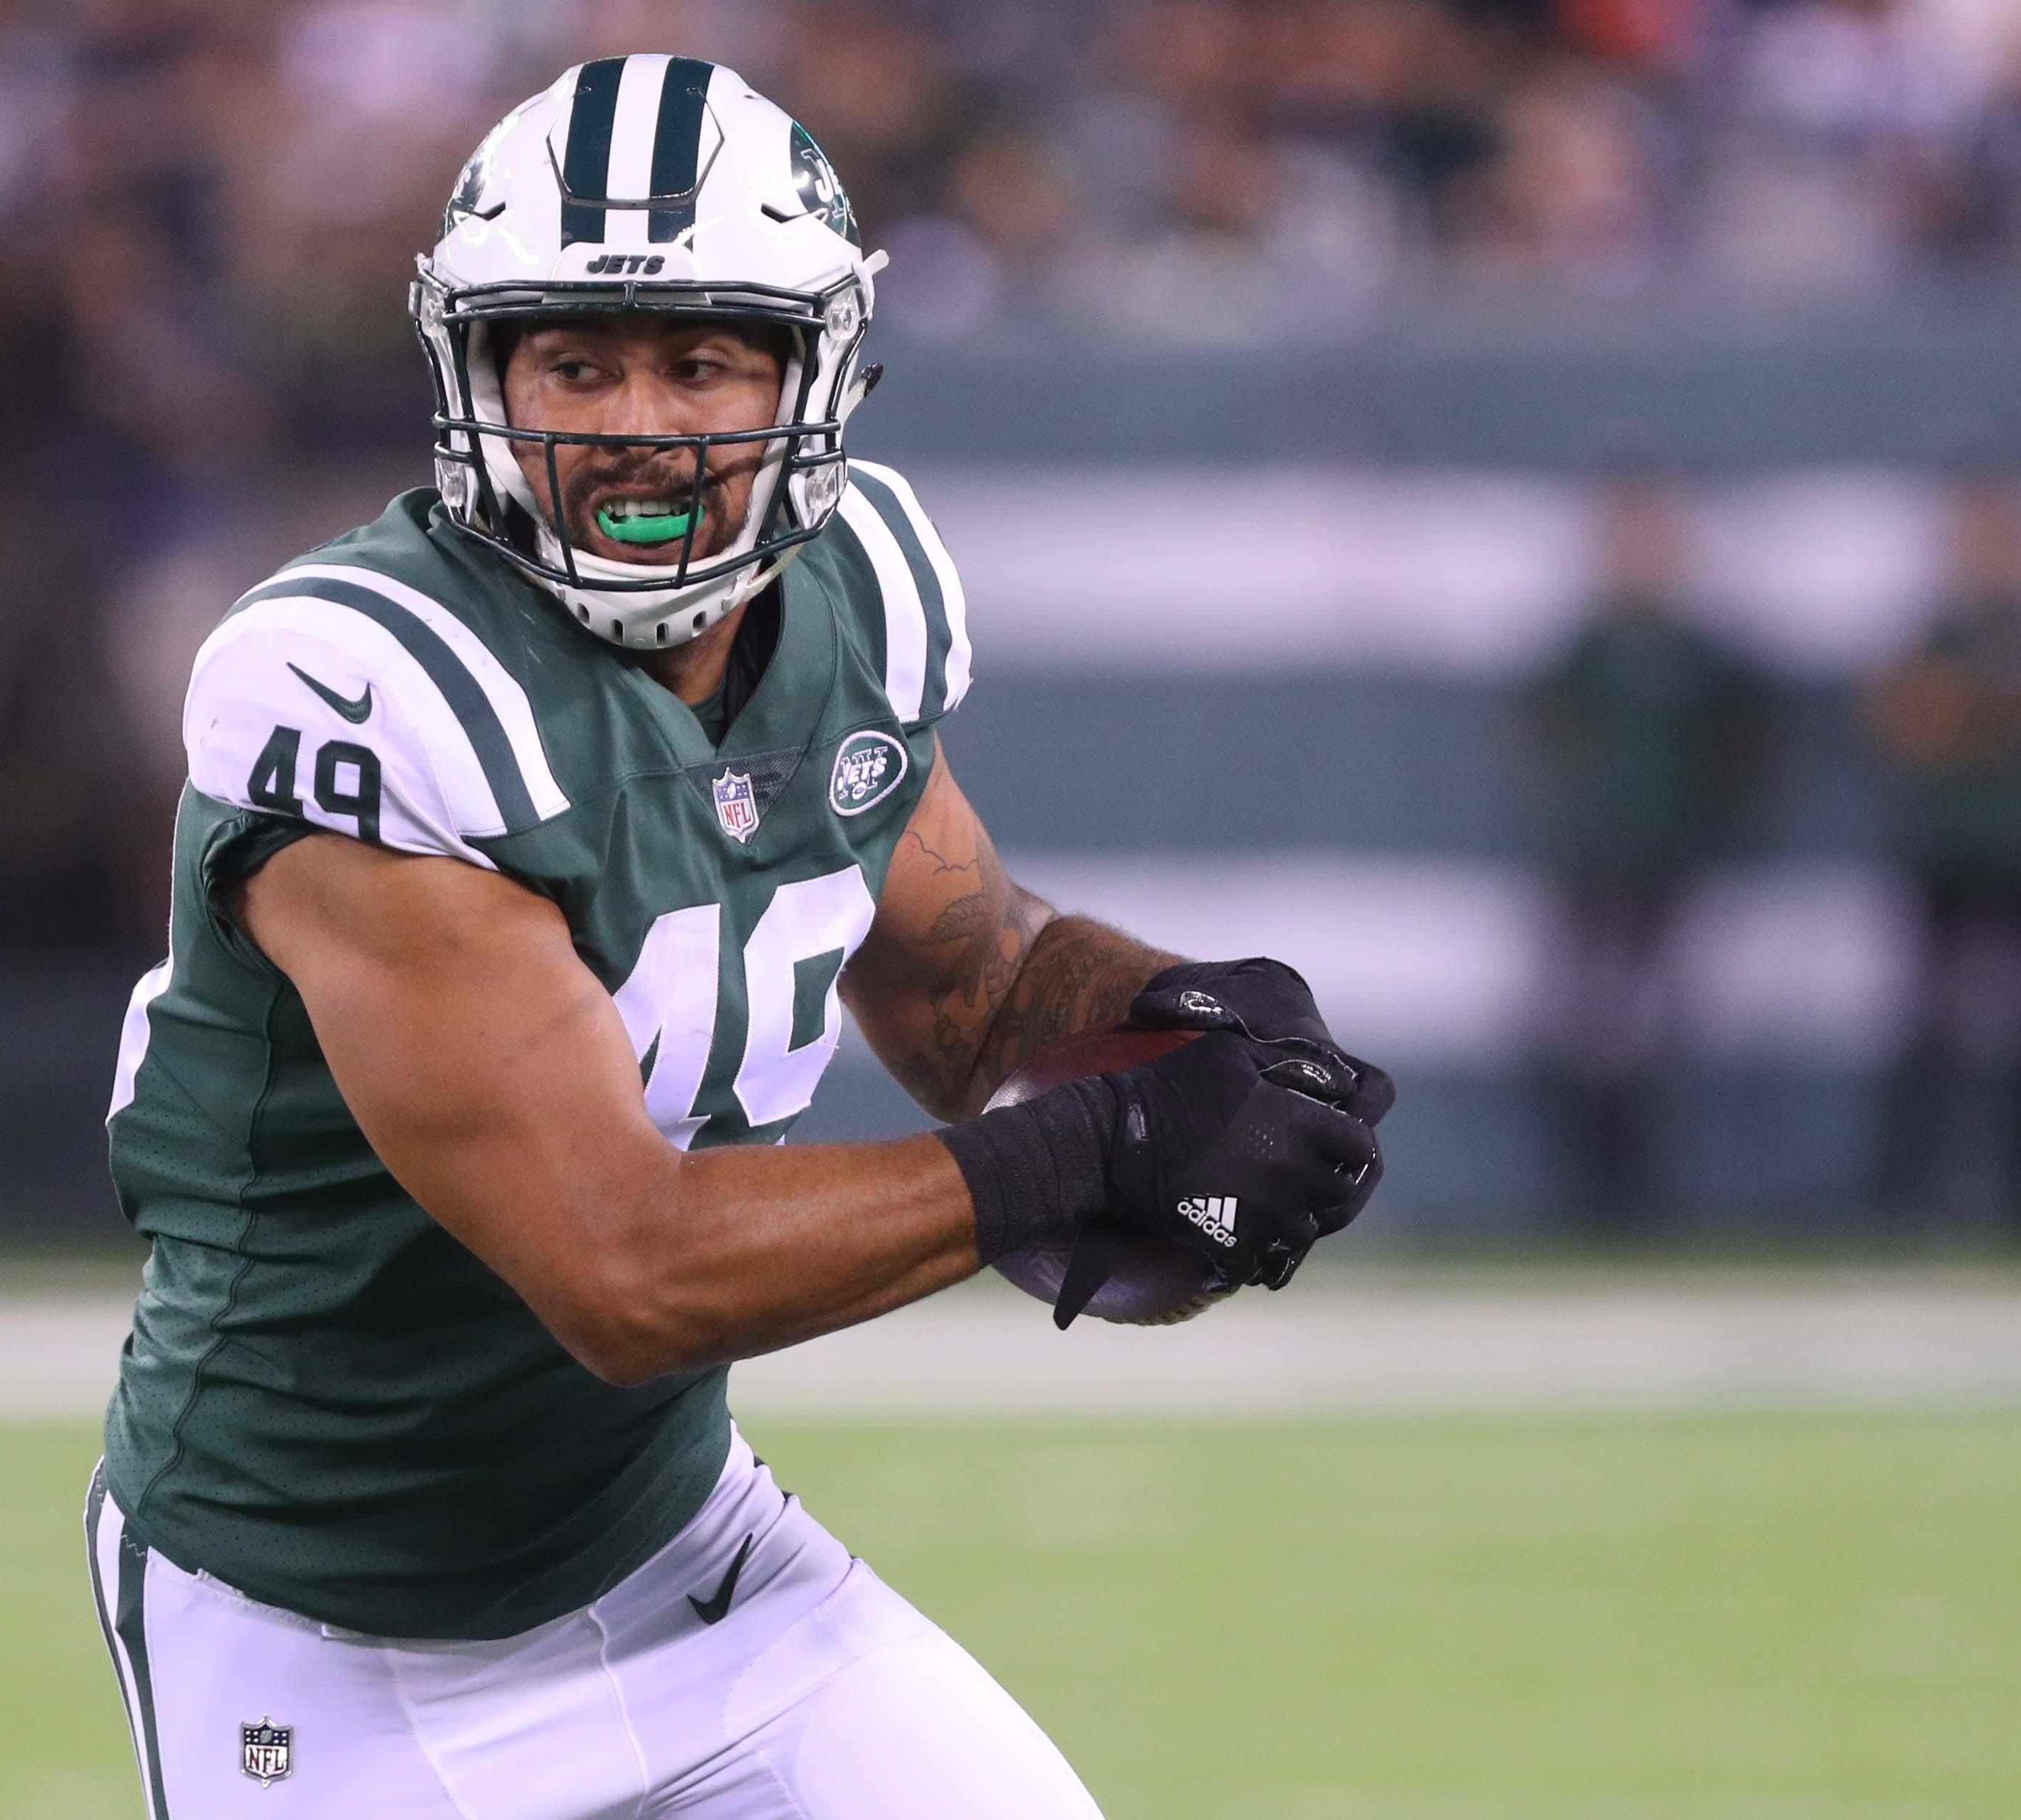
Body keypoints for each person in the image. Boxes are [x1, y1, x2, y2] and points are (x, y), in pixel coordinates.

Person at [87, 57, 1392, 1818]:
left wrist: (1180, 1022)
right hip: (330, 1623)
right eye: (573, 359)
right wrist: (1079, 1146)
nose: (634, 421)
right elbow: (623, 1271)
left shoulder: (853, 590)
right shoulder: (358, 690)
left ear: (813, 373)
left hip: (680, 1555)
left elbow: (968, 973)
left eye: (698, 359)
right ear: (475, 372)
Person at [1531, 466, 1765, 1225]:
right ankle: (1588, 1190)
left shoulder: (1700, 653)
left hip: (1668, 863)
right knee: (1587, 1025)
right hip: (1593, 865)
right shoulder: (1584, 646)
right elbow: (1546, 732)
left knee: (1663, 1028)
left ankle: (1655, 1190)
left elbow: (1740, 746)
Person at [1865, 461, 2021, 1221]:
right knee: (1927, 1027)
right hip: (1947, 854)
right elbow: (1907, 726)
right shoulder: (1932, 634)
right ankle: (1901, 1195)